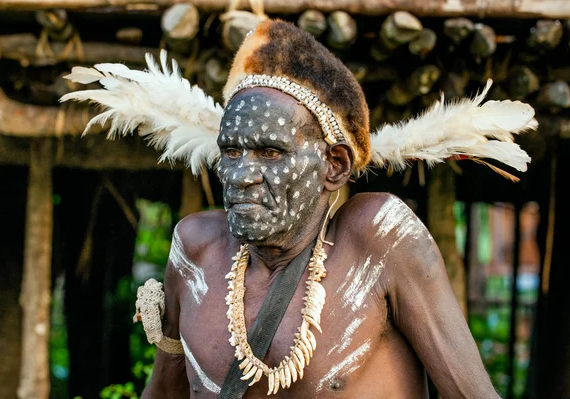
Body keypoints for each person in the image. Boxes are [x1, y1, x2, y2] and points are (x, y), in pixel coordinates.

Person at [62, 19, 536, 398]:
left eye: (270, 153)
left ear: (333, 166)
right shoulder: (196, 249)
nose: (241, 173)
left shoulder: (378, 238)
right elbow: (164, 392)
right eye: (231, 151)